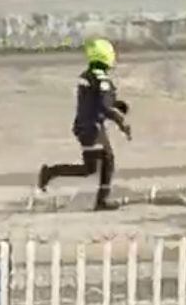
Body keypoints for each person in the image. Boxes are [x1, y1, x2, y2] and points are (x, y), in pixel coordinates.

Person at [37, 38, 132, 211]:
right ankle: (101, 201)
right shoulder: (102, 80)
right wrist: (121, 123)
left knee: (90, 167)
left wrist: (116, 105)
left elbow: (94, 101)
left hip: (83, 126)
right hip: (93, 128)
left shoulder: (87, 76)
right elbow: (104, 107)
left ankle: (51, 172)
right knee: (108, 160)